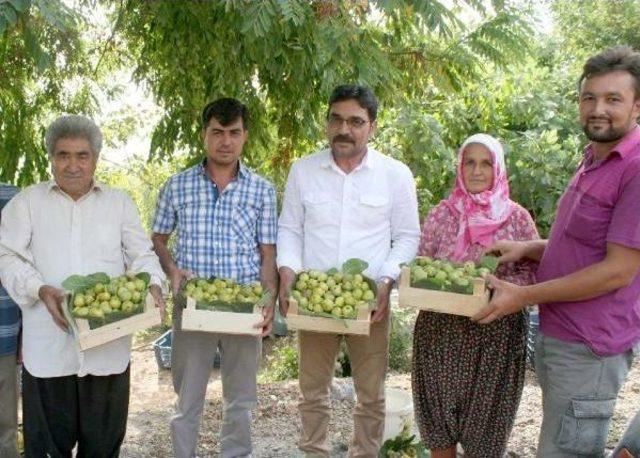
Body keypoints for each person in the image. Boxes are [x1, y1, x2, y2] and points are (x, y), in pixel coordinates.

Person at [476, 45, 640, 457]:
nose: (598, 109)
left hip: (589, 345)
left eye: (613, 99)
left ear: (637, 106)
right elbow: (587, 246)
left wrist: (523, 297)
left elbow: (617, 271)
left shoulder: (635, 168)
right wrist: (528, 248)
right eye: (589, 98)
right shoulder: (595, 158)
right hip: (559, 334)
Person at [0, 115, 166, 457]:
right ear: (51, 158)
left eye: (82, 155)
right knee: (46, 450)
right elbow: (7, 257)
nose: (72, 165)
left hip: (108, 352)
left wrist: (153, 284)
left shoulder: (119, 203)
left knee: (103, 450)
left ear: (96, 159)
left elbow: (142, 255)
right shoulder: (27, 203)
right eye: (63, 155)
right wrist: (40, 289)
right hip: (48, 353)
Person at [277, 84, 420, 457]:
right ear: (326, 123)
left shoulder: (395, 174)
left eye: (356, 121)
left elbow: (406, 237)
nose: (345, 129)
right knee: (312, 393)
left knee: (371, 395)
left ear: (372, 126)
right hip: (313, 300)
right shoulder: (303, 171)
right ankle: (314, 452)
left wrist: (387, 280)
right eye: (337, 119)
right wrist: (288, 272)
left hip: (370, 302)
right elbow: (290, 229)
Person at [151, 97, 278, 458]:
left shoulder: (261, 190)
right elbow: (158, 239)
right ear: (204, 135)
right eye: (217, 132)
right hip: (193, 306)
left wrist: (268, 302)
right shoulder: (177, 186)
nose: (226, 141)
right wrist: (172, 269)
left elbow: (268, 253)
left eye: (234, 133)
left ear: (245, 136)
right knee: (187, 399)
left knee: (240, 400)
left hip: (244, 308)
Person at [412, 134, 539, 458]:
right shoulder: (442, 214)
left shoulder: (517, 218)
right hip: (440, 335)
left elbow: (534, 273)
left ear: (498, 168)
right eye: (470, 162)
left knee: (486, 436)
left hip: (496, 337)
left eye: (486, 163)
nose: (478, 170)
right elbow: (422, 264)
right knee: (439, 428)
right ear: (460, 167)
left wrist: (494, 285)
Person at [0, 182, 20, 458]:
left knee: (6, 429)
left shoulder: (13, 199)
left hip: (4, 333)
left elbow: (26, 267)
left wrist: (24, 336)